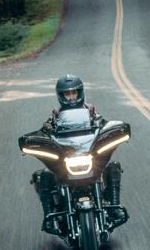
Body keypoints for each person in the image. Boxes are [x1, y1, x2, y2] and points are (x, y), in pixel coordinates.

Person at [30, 74, 122, 225]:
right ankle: (49, 217)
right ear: (61, 96)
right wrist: (41, 138)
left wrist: (111, 130)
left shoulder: (91, 112)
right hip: (67, 157)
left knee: (112, 167)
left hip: (89, 154)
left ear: (80, 93)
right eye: (67, 93)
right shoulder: (55, 116)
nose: (71, 97)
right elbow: (45, 131)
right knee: (44, 175)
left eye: (74, 93)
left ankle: (114, 207)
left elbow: (103, 125)